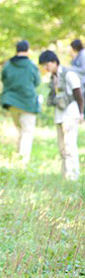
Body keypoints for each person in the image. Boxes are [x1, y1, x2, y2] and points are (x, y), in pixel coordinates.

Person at [39, 50, 84, 181]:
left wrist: (81, 113)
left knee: (70, 146)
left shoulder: (68, 74)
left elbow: (78, 93)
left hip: (71, 114)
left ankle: (73, 176)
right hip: (59, 115)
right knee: (62, 147)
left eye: (47, 65)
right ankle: (65, 175)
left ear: (54, 62)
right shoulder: (53, 77)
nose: (46, 68)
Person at [0, 40, 41, 164]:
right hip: (28, 103)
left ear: (16, 50)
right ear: (27, 50)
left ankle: (18, 158)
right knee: (27, 133)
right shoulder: (31, 65)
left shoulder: (8, 64)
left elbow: (3, 79)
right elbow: (37, 82)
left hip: (11, 103)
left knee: (19, 130)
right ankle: (22, 162)